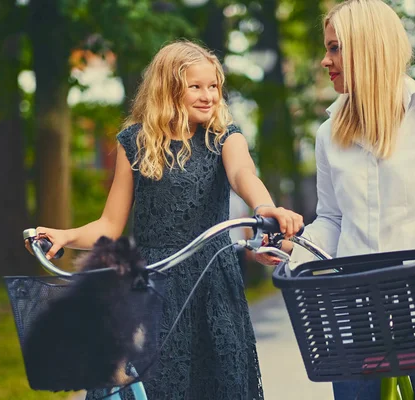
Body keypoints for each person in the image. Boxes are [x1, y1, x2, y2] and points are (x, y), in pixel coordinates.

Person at [28, 40, 303, 399]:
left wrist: (265, 208)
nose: (208, 96)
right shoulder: (136, 142)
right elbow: (110, 225)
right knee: (153, 384)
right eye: (196, 86)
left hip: (211, 282)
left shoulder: (224, 137)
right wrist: (65, 235)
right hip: (152, 283)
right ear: (169, 89)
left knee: (217, 382)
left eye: (214, 86)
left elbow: (243, 175)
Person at [275, 1, 415, 399]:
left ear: (369, 48)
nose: (325, 60)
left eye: (335, 48)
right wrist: (291, 249)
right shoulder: (328, 134)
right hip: (356, 313)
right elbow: (331, 220)